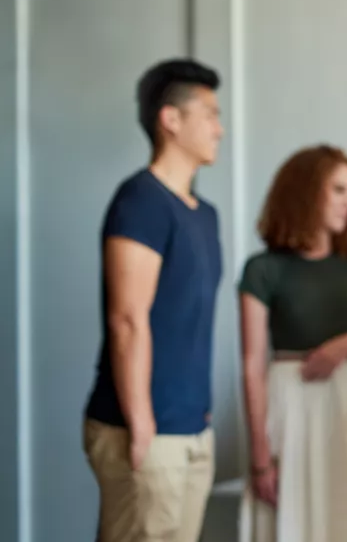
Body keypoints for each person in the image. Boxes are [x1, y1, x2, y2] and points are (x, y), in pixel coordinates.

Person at [83, 58, 224, 542]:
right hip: (144, 432)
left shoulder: (205, 215)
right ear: (171, 119)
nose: (219, 129)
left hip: (191, 429)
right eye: (209, 113)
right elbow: (127, 319)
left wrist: (199, 417)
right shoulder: (141, 201)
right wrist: (142, 424)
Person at [237, 145, 347, 542]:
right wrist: (260, 457)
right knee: (287, 522)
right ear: (308, 192)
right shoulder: (262, 270)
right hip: (287, 404)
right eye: (340, 190)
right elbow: (252, 366)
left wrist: (342, 346)